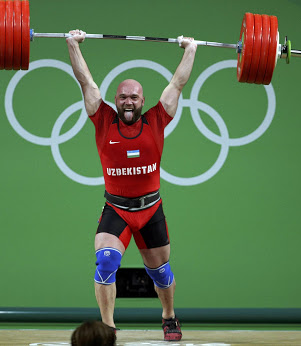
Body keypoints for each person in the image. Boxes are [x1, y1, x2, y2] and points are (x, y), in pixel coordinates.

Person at [66, 29, 197, 342]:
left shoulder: (156, 120)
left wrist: (190, 48)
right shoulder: (103, 119)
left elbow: (178, 83)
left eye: (134, 97)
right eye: (122, 96)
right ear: (115, 100)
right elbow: (86, 82)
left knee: (161, 273)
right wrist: (72, 44)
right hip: (117, 209)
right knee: (106, 261)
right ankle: (108, 328)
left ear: (142, 100)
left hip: (150, 209)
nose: (128, 101)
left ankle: (168, 316)